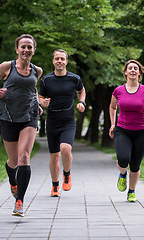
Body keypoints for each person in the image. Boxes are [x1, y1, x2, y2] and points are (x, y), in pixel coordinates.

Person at [0, 34, 43, 217]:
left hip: (29, 116)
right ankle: (13, 181)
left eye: (30, 47)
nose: (26, 50)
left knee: (24, 157)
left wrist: (37, 103)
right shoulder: (7, 66)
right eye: (23, 47)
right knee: (13, 162)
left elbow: (33, 89)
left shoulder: (37, 70)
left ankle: (19, 202)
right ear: (17, 49)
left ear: (34, 50)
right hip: (9, 117)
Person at [109, 60, 144, 202]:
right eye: (130, 68)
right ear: (126, 72)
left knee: (135, 165)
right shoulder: (118, 90)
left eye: (136, 68)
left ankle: (132, 191)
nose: (133, 70)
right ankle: (122, 175)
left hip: (141, 131)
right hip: (122, 130)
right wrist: (112, 124)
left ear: (139, 73)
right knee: (123, 159)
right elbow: (112, 107)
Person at [38, 49, 86, 197]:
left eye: (62, 59)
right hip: (52, 121)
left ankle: (67, 173)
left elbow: (81, 90)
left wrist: (82, 102)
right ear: (53, 61)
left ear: (66, 61)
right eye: (57, 59)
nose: (60, 61)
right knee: (54, 156)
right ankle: (54, 186)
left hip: (68, 121)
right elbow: (40, 96)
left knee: (65, 149)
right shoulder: (46, 80)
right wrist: (43, 102)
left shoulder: (74, 78)